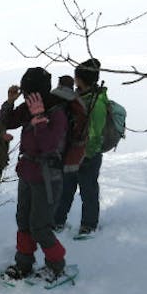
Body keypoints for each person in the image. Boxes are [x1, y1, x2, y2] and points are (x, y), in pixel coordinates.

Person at [0, 67, 68, 281]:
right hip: (27, 173)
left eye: (30, 92)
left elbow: (49, 146)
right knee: (23, 221)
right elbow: (6, 122)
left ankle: (56, 265)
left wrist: (39, 118)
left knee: (40, 226)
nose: (28, 97)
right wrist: (10, 101)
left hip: (48, 177)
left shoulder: (57, 112)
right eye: (26, 93)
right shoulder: (29, 106)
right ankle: (24, 263)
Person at [54, 58, 108, 239]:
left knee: (88, 191)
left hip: (88, 156)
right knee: (66, 189)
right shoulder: (77, 97)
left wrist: (87, 154)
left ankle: (88, 226)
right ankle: (57, 221)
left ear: (79, 78)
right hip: (73, 152)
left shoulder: (97, 102)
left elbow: (96, 134)